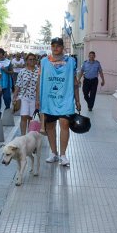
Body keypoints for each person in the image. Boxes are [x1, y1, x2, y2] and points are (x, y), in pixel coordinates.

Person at [36, 37, 80, 167]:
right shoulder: (44, 61)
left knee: (64, 124)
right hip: (48, 100)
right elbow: (39, 80)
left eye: (58, 46)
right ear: (51, 47)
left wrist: (77, 100)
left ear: (62, 47)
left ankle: (63, 155)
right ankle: (53, 153)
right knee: (50, 127)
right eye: (53, 45)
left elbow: (75, 82)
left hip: (65, 99)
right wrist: (38, 99)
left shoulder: (71, 62)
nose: (56, 48)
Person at [13, 53, 39, 135]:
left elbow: (40, 86)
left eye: (33, 59)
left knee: (31, 118)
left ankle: (30, 137)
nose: (32, 61)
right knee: (24, 116)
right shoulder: (22, 72)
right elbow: (18, 85)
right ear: (26, 61)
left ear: (36, 61)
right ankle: (23, 136)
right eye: (30, 59)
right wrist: (14, 97)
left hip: (35, 98)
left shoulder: (39, 71)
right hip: (24, 97)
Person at [0, 48, 13, 119]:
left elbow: (12, 72)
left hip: (6, 84)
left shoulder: (8, 62)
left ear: (2, 54)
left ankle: (7, 109)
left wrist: (5, 70)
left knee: (7, 98)